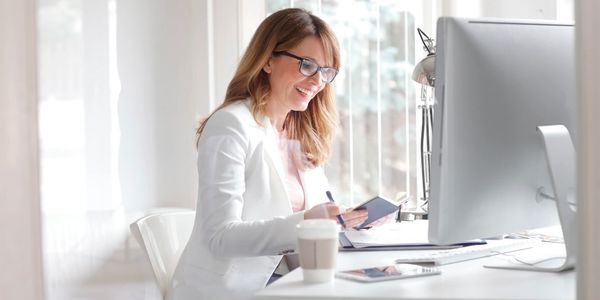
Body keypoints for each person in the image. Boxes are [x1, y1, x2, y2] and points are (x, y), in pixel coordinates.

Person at [169, 8, 368, 300]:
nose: (317, 82)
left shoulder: (300, 132)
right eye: (307, 64)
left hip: (289, 284)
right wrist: (308, 222)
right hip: (229, 292)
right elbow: (219, 237)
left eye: (326, 71)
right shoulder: (230, 126)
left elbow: (317, 212)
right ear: (267, 60)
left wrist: (350, 219)